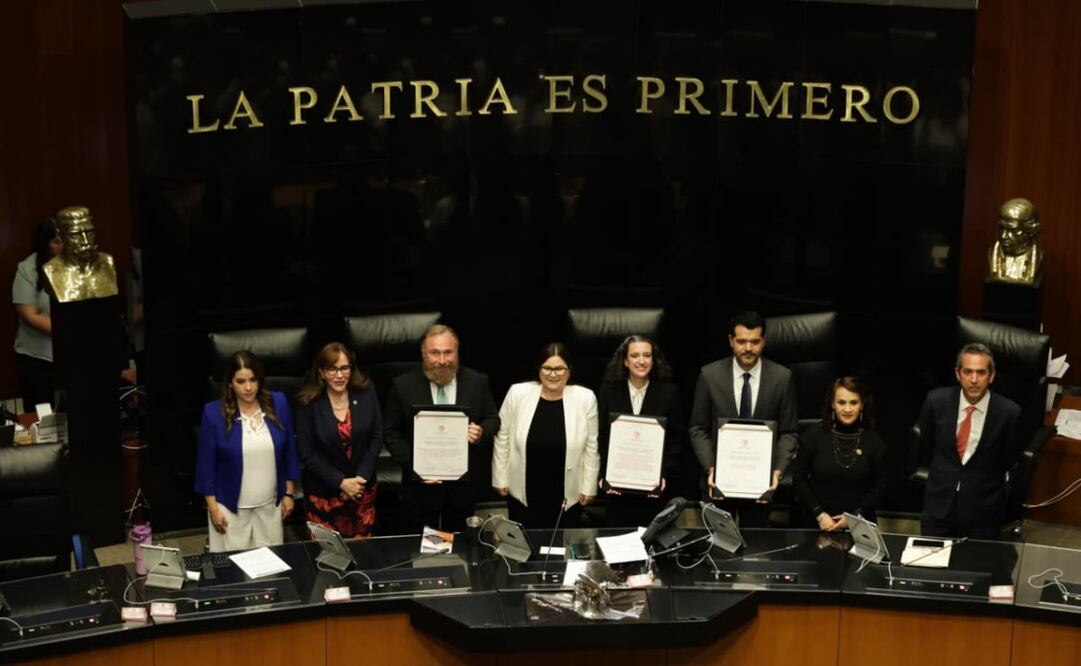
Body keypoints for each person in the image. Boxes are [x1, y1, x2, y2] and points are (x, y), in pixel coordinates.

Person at [383, 325, 499, 533]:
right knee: (422, 552)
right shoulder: (403, 385)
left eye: (448, 352)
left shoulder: (477, 381)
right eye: (435, 353)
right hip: (420, 488)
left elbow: (492, 419)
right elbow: (390, 432)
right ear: (423, 354)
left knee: (459, 549)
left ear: (457, 352)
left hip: (463, 489)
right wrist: (416, 466)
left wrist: (481, 431)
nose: (442, 360)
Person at [689, 311, 798, 526]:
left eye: (755, 341)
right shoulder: (709, 376)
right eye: (742, 341)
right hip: (717, 482)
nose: (748, 348)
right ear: (731, 341)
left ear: (763, 341)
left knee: (756, 550)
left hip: (761, 484)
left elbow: (789, 432)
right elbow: (697, 428)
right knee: (717, 548)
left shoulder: (782, 378)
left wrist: (777, 471)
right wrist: (712, 468)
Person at [195, 351, 300, 552]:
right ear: (230, 384)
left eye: (253, 380)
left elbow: (289, 453)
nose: (248, 387)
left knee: (270, 567)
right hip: (229, 508)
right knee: (233, 571)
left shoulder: (278, 403)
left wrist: (288, 493)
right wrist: (213, 508)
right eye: (241, 381)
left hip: (270, 506)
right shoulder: (213, 413)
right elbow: (206, 466)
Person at [492, 343, 599, 528]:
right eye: (547, 368)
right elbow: (502, 437)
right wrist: (499, 477)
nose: (553, 374)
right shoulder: (517, 393)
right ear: (539, 369)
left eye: (559, 369)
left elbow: (592, 446)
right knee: (525, 546)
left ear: (569, 370)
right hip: (524, 488)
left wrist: (589, 486)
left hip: (567, 490)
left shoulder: (585, 398)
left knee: (561, 545)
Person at [921, 343, 1021, 539]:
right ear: (958, 374)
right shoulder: (936, 401)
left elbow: (1009, 458)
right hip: (939, 502)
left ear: (991, 376)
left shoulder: (1009, 413)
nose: (974, 380)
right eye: (968, 372)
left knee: (978, 565)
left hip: (983, 508)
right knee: (930, 564)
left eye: (981, 372)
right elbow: (927, 443)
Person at [597, 335, 687, 527]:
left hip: (653, 488)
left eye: (647, 355)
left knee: (650, 542)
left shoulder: (668, 393)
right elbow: (602, 435)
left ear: (653, 360)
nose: (641, 361)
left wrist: (663, 473)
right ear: (625, 361)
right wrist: (606, 474)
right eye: (635, 355)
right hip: (617, 488)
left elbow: (676, 439)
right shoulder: (609, 391)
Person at [296, 342, 383, 538]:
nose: (339, 375)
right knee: (328, 559)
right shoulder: (307, 403)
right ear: (321, 372)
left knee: (364, 556)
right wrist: (341, 482)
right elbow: (306, 453)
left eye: (344, 368)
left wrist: (360, 479)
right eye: (332, 369)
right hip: (324, 495)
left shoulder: (366, 393)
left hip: (362, 491)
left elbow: (376, 437)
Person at [791, 377, 889, 530]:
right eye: (841, 402)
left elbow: (881, 485)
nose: (848, 409)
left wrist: (855, 517)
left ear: (862, 405)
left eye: (854, 403)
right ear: (832, 404)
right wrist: (819, 514)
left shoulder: (874, 442)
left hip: (860, 525)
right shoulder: (813, 436)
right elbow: (798, 478)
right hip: (817, 523)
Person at [12, 216, 63, 410]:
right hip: (36, 358)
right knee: (41, 417)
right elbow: (29, 315)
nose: (63, 246)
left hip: (73, 354)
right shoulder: (28, 268)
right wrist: (65, 330)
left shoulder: (76, 265)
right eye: (57, 242)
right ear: (45, 243)